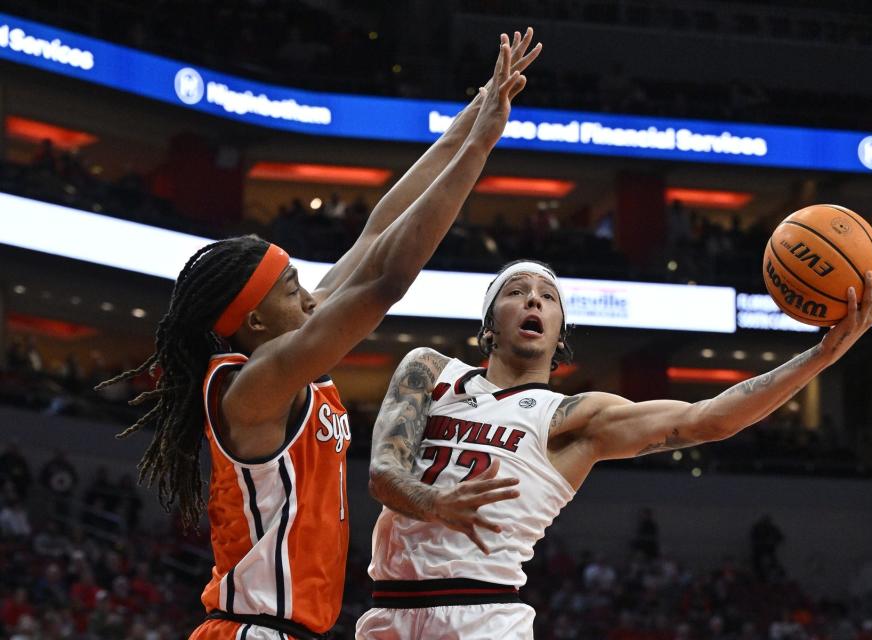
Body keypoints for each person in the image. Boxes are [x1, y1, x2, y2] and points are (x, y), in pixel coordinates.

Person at [98, 30, 541, 640]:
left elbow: (377, 230)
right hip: (252, 630)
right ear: (254, 322)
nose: (311, 296)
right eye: (291, 290)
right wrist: (482, 149)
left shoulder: (288, 343)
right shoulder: (254, 384)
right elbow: (387, 278)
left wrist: (477, 112)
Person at [360, 259, 872, 638]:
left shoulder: (576, 418)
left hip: (481, 617)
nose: (533, 301)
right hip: (388, 611)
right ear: (489, 323)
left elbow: (707, 421)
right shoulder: (430, 371)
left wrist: (820, 357)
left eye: (547, 297)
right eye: (517, 291)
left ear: (559, 328)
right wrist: (434, 504)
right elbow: (383, 471)